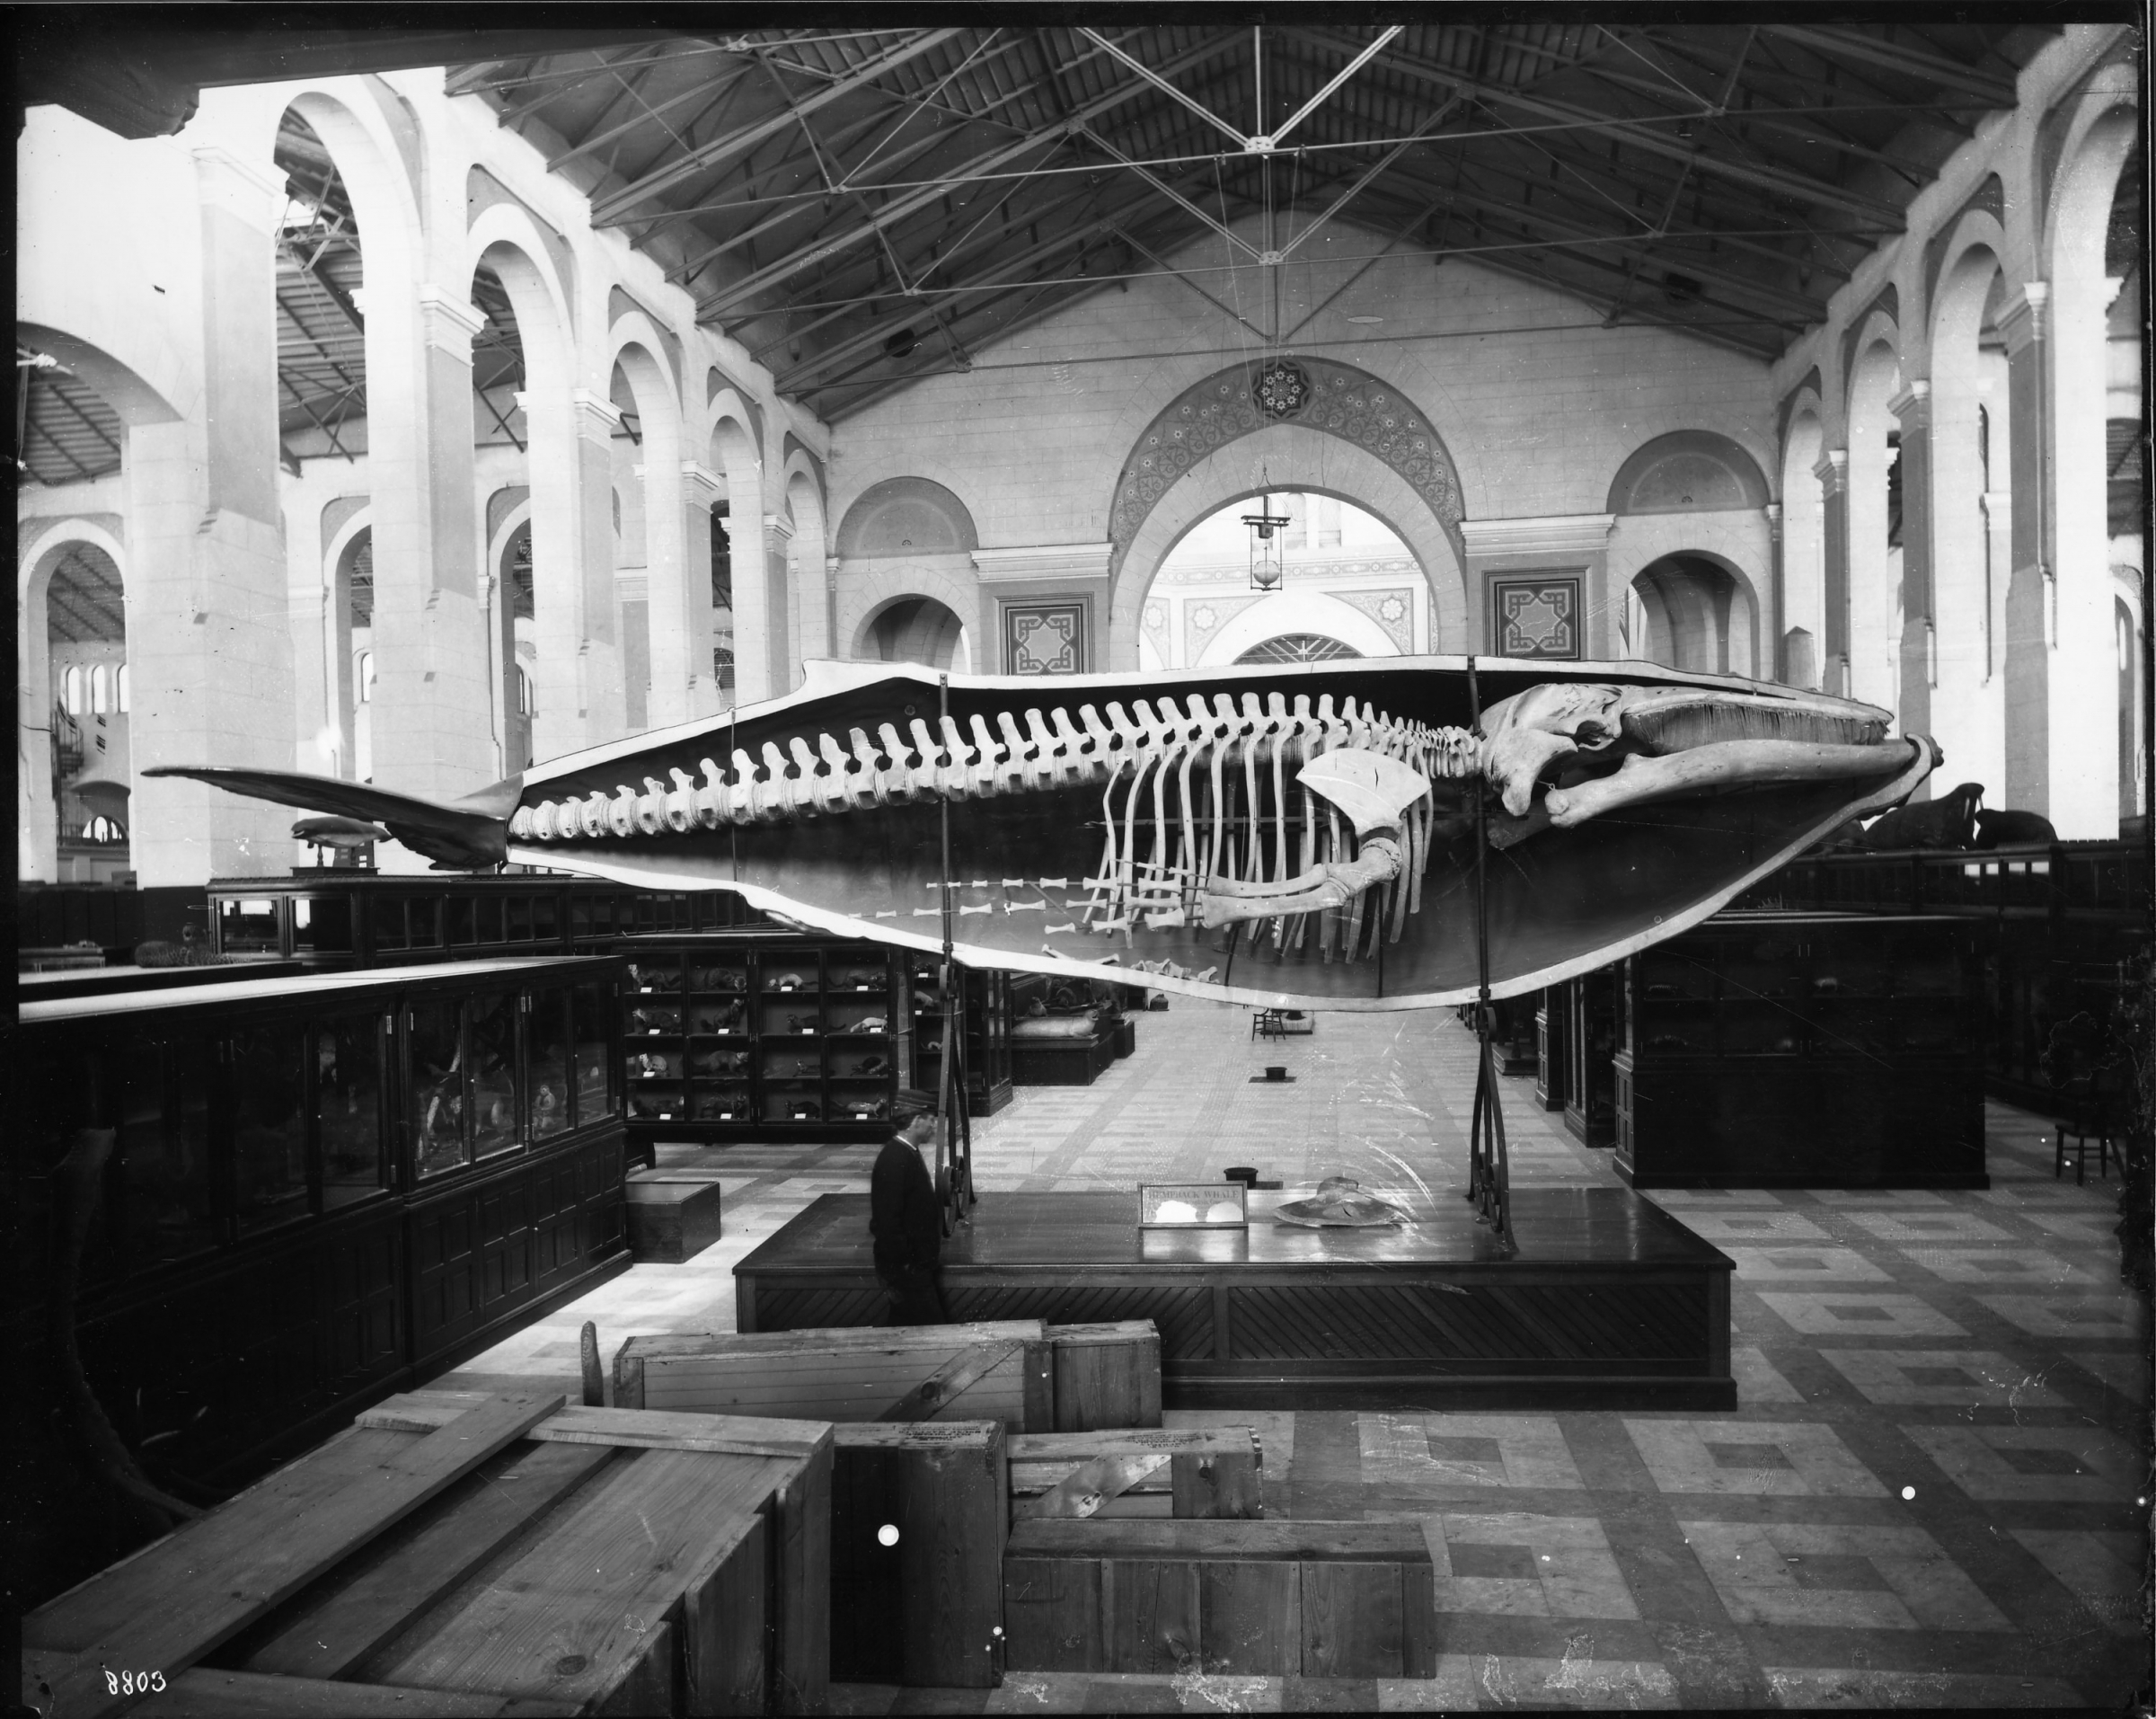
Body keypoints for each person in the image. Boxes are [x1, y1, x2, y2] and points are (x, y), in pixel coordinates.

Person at [870, 1088, 948, 1325]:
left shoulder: (906, 1153)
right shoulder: (895, 1160)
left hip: (913, 1270)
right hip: (907, 1273)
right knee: (931, 1333)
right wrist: (906, 1266)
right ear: (916, 1121)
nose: (933, 1126)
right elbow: (886, 1224)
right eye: (930, 1120)